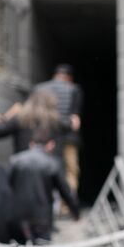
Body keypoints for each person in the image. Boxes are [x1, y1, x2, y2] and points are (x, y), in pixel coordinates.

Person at [9, 135, 80, 247]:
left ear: (32, 143)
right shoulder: (52, 163)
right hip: (41, 221)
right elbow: (65, 192)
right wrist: (76, 212)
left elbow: (7, 188)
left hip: (18, 221)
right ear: (51, 145)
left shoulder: (16, 161)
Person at [33, 64, 84, 202]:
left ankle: (49, 203)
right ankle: (68, 204)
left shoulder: (40, 88)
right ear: (69, 77)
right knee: (70, 170)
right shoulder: (74, 89)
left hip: (45, 138)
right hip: (68, 138)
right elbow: (75, 121)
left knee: (48, 169)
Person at [0, 89, 68, 154]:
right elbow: (69, 126)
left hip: (21, 167)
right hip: (46, 169)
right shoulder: (55, 122)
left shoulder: (21, 118)